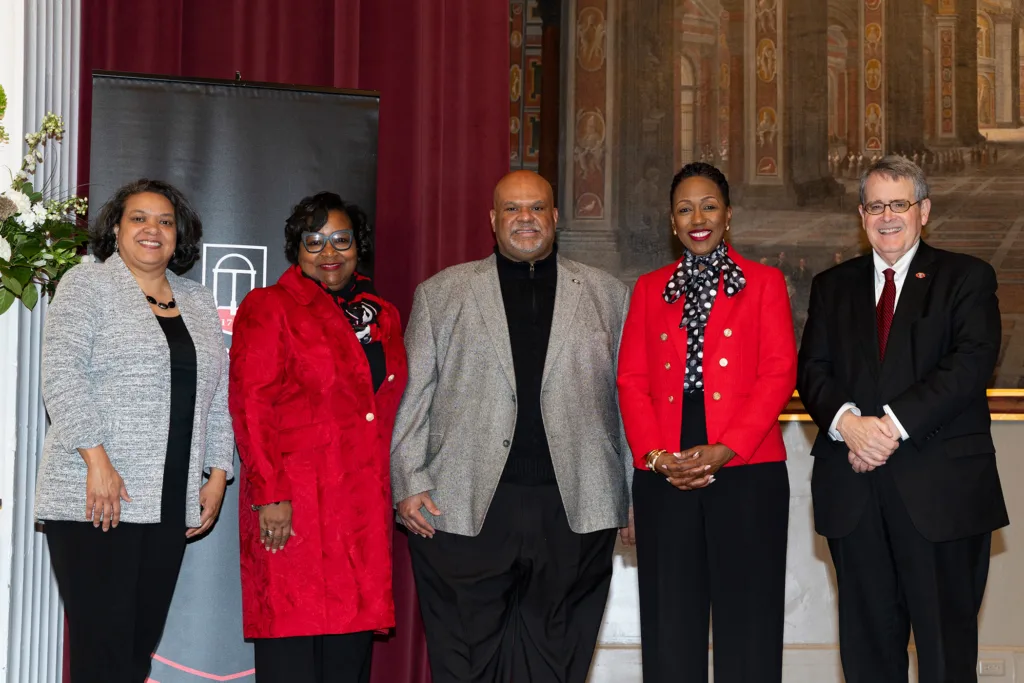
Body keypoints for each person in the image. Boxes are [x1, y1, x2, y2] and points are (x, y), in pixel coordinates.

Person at [391, 170, 632, 683]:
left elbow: (626, 400)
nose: (526, 219)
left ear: (556, 217)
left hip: (575, 510)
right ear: (492, 218)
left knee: (557, 660)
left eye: (537, 208)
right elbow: (414, 396)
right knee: (465, 663)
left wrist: (632, 495)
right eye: (513, 209)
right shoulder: (442, 294)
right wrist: (409, 481)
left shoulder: (608, 295)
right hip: (463, 506)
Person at [798, 155, 1008, 683]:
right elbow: (813, 370)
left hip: (941, 496)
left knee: (943, 652)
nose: (887, 216)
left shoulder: (967, 277)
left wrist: (887, 427)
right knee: (867, 653)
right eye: (875, 205)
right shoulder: (832, 286)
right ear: (861, 214)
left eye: (900, 203)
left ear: (924, 211)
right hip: (855, 494)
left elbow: (970, 363)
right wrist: (848, 423)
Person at [37, 179, 233, 683]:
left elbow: (218, 397)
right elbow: (62, 374)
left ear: (178, 235)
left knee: (135, 653)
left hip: (168, 503)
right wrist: (96, 461)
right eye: (139, 218)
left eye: (165, 221)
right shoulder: (87, 284)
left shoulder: (198, 299)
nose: (153, 229)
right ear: (117, 229)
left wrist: (217, 472)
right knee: (102, 653)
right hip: (98, 497)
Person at [617, 162, 796, 683]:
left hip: (748, 468)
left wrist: (726, 447)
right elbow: (631, 380)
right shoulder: (649, 290)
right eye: (684, 208)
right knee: (671, 625)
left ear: (728, 214)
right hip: (664, 471)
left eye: (709, 205)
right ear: (672, 222)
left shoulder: (765, 283)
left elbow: (779, 373)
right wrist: (656, 457)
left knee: (750, 625)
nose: (698, 217)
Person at [228, 192, 407, 683]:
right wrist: (270, 495)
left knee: (348, 656)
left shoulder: (383, 315)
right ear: (296, 250)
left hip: (360, 506)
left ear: (358, 245)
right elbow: (251, 404)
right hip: (296, 504)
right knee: (293, 645)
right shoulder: (269, 306)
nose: (329, 253)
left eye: (341, 240)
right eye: (314, 241)